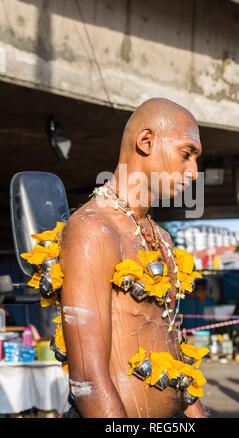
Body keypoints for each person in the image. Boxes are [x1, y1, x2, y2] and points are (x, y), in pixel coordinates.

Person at [59, 98, 207, 418]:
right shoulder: (93, 229)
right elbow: (88, 380)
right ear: (146, 142)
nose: (194, 172)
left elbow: (171, 349)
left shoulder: (162, 239)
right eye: (186, 154)